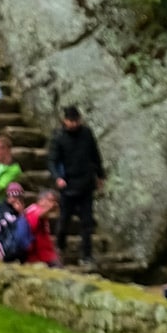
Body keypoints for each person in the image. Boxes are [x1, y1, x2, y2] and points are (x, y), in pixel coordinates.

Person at [47, 104, 105, 272]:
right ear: (64, 120)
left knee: (87, 223)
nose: (73, 124)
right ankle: (60, 248)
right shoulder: (59, 137)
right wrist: (57, 177)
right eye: (70, 121)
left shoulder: (87, 134)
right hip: (68, 185)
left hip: (86, 183)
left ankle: (86, 255)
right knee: (64, 221)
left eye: (75, 120)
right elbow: (52, 160)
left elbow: (95, 155)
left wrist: (100, 176)